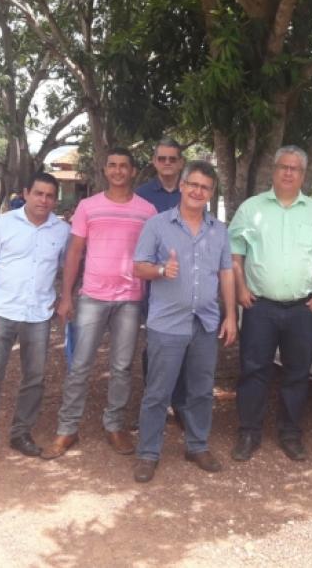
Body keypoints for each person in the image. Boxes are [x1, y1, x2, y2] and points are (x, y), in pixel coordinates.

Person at [41, 147, 156, 460]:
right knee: (79, 365)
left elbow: (151, 255)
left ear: (133, 171)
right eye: (112, 165)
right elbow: (75, 252)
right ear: (105, 170)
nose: (118, 171)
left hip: (130, 299)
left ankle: (115, 425)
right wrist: (66, 295)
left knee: (122, 367)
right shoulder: (88, 206)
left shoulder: (147, 211)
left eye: (124, 166)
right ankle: (67, 428)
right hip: (92, 296)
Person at [228, 145, 312, 462]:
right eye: (283, 167)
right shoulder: (250, 209)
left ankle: (290, 433)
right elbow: (235, 252)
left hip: (303, 309)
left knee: (297, 373)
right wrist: (240, 288)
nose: (288, 173)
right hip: (259, 307)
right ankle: (249, 432)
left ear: (303, 174)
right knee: (253, 370)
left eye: (295, 168)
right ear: (274, 171)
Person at [132, 160, 237, 483]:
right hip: (167, 324)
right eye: (193, 184)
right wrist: (162, 270)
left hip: (205, 323)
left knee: (202, 390)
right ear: (182, 186)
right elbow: (139, 266)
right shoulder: (157, 225)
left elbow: (226, 272)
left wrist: (231, 316)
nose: (197, 191)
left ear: (211, 193)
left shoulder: (219, 230)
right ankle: (148, 453)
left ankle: (197, 445)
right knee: (158, 392)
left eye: (205, 187)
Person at [0, 172, 70, 470]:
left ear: (55, 200)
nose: (44, 200)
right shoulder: (2, 224)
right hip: (1, 312)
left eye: (50, 196)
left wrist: (64, 296)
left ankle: (21, 433)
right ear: (26, 193)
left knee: (34, 378)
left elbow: (68, 267)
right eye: (39, 193)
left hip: (38, 315)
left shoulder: (62, 231)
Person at [135, 137, 187, 426]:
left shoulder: (191, 191)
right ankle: (157, 400)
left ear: (180, 163)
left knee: (184, 342)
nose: (167, 163)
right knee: (155, 345)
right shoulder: (141, 196)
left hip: (184, 283)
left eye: (172, 158)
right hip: (152, 282)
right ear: (154, 162)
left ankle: (179, 401)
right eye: (162, 158)